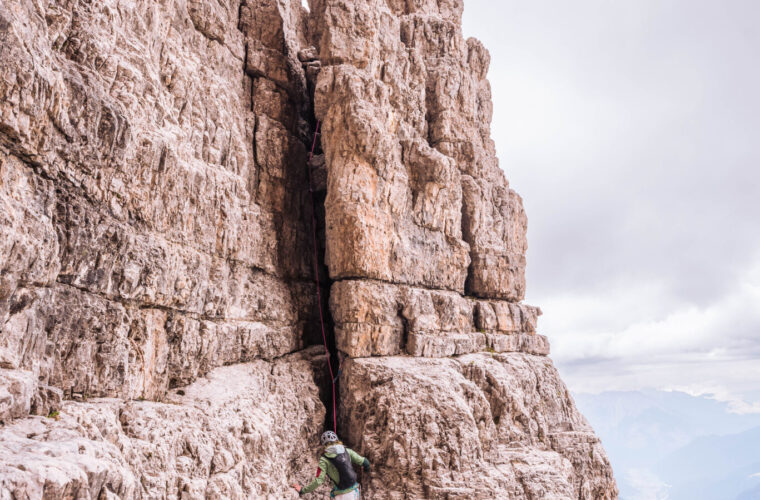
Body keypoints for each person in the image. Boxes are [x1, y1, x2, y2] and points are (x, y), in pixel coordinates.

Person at [292, 430, 370, 498]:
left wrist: (302, 490)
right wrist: (366, 470)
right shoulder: (347, 451)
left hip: (342, 495)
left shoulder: (324, 460)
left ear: (324, 445)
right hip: (355, 491)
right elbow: (365, 462)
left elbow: (318, 481)